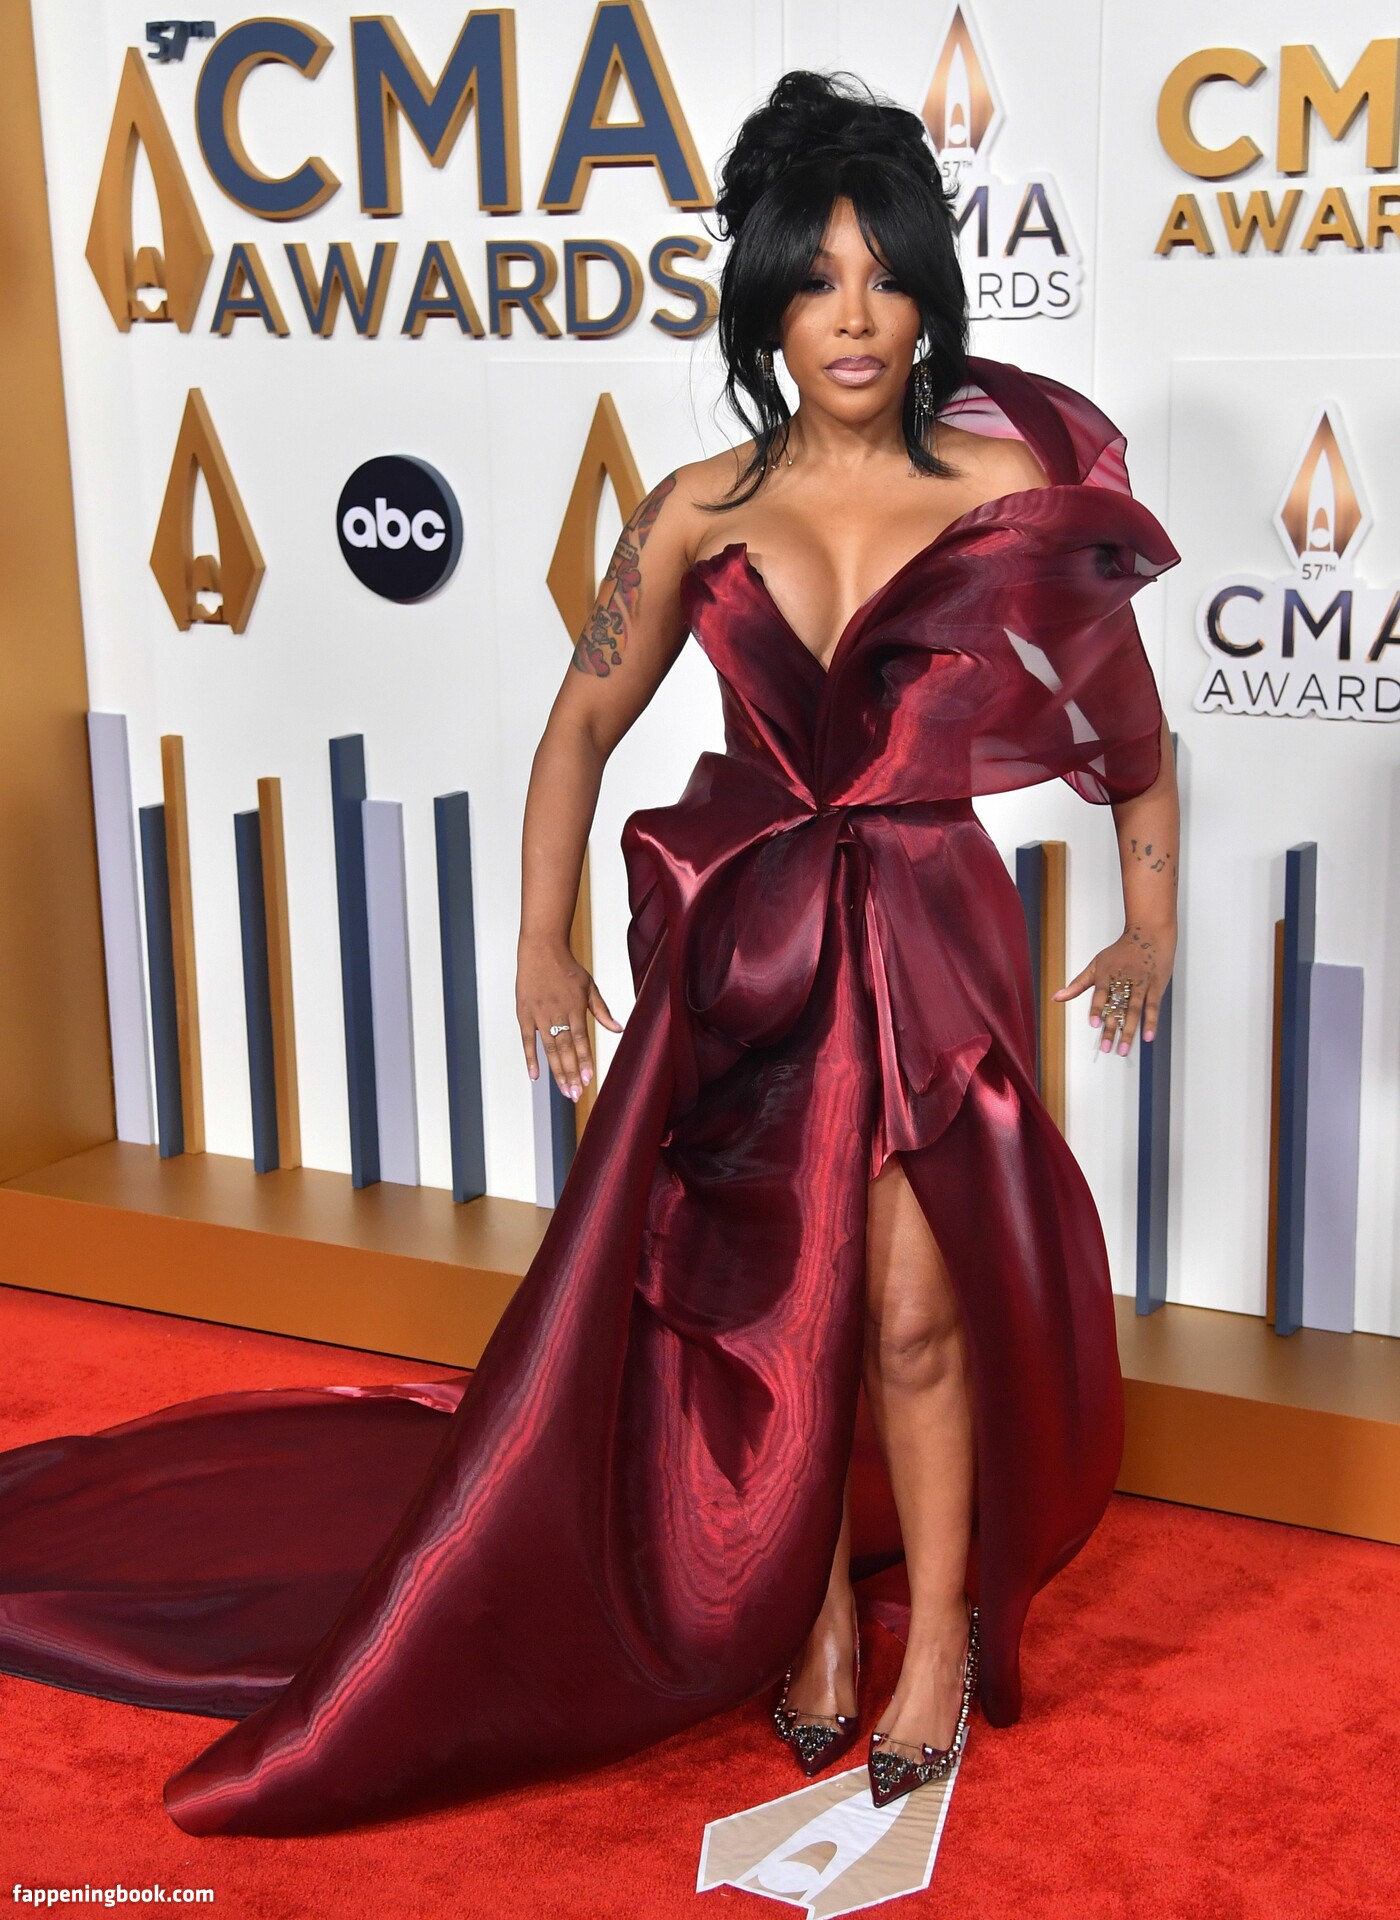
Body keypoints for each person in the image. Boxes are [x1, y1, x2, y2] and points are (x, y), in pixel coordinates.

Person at [0, 70, 1179, 1834]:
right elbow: (578, 729)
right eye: (814, 280)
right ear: (765, 302)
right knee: (783, 1306)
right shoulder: (696, 507)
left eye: (883, 276)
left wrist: (1150, 921)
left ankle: (934, 1635)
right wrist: (541, 945)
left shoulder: (1004, 493)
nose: (854, 317)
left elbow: (1131, 734)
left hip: (931, 944)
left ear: (931, 291)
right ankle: (809, 1620)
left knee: (914, 1312)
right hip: (758, 950)